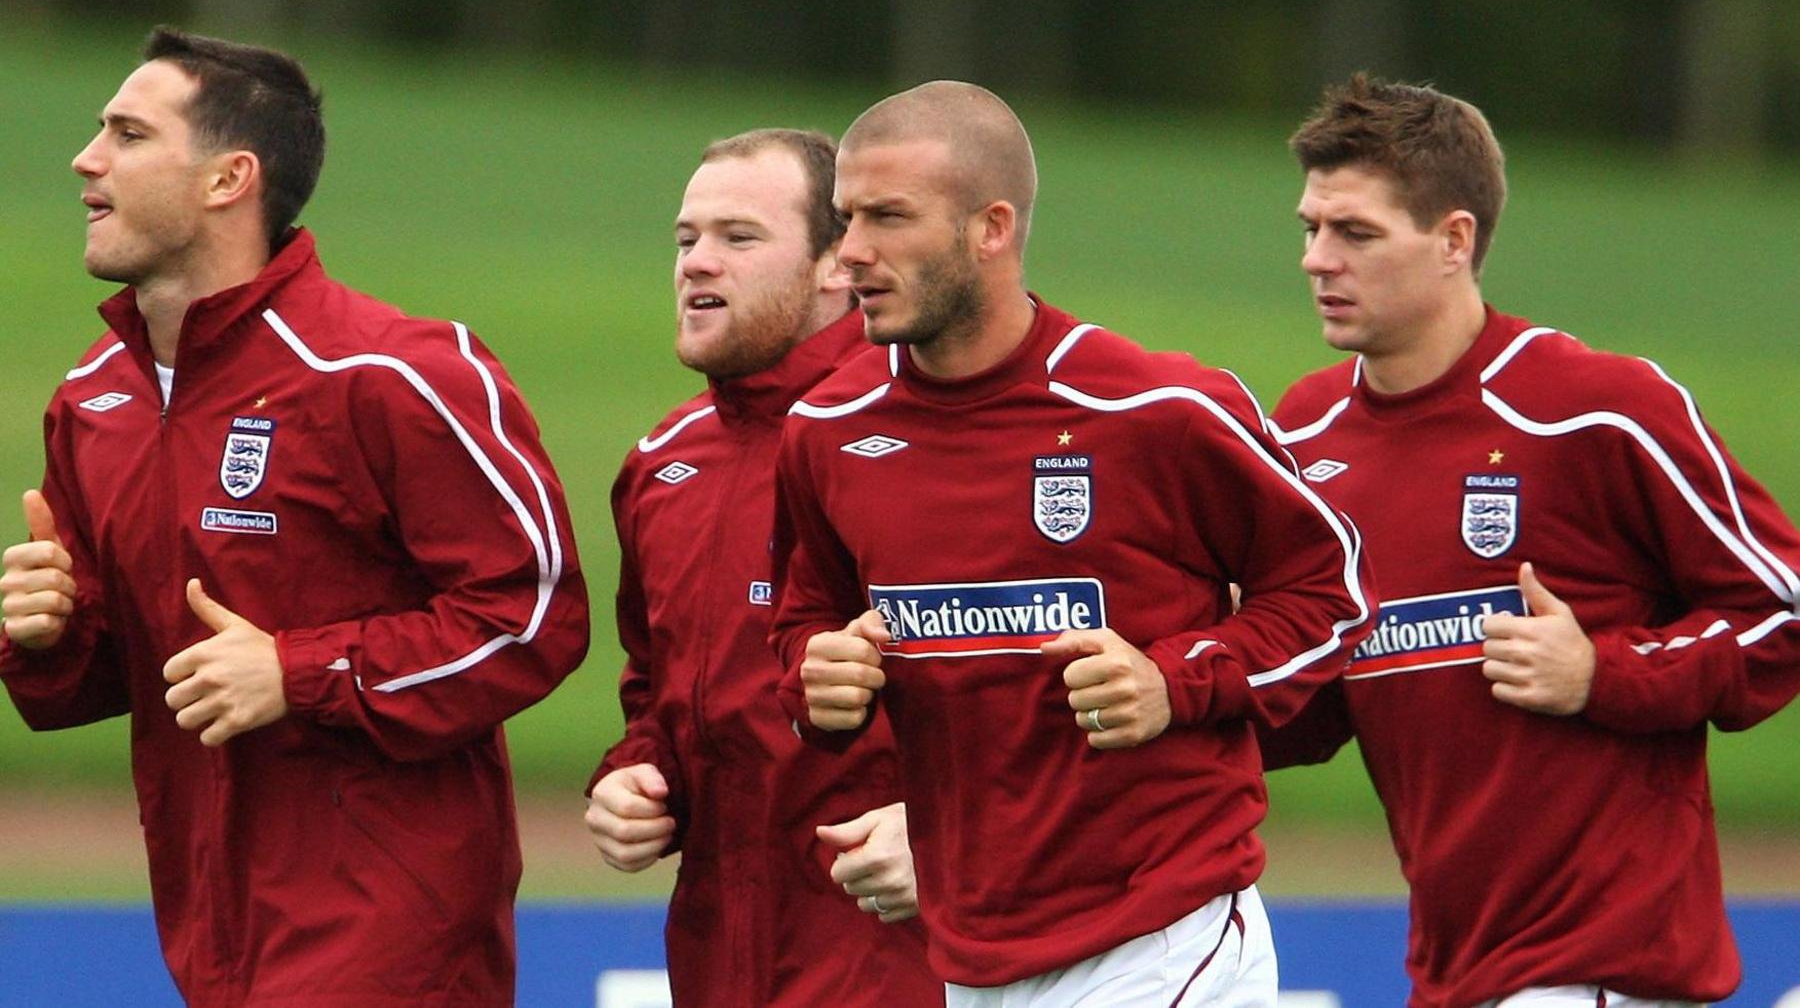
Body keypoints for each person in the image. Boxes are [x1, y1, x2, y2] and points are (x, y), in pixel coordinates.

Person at [0, 28, 588, 1006]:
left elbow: (533, 617)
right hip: (209, 930)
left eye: (129, 135)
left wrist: (300, 672)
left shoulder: (390, 372)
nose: (85, 159)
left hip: (390, 939)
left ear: (229, 178)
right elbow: (119, 675)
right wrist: (48, 633)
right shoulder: (94, 399)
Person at [768, 80, 1376, 1006]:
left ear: (991, 228)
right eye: (847, 218)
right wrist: (816, 674)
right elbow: (805, 618)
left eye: (888, 217)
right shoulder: (828, 429)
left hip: (1161, 938)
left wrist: (1173, 683)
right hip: (971, 949)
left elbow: (1331, 597)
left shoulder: (1156, 410)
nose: (851, 251)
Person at [1263, 74, 1800, 1008]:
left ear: (1454, 240)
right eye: (1311, 228)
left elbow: (1781, 608)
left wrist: (1603, 674)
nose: (1317, 260)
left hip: (1606, 967)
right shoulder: (1304, 435)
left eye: (1355, 233)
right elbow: (1319, 696)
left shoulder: (1596, 411)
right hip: (1454, 965)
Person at [583, 128, 939, 1006]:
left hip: (898, 966)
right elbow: (659, 685)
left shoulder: (931, 438)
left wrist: (944, 838)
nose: (697, 263)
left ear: (838, 266)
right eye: (686, 238)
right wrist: (635, 775)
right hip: (717, 965)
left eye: (738, 237)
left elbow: (1039, 690)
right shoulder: (664, 462)